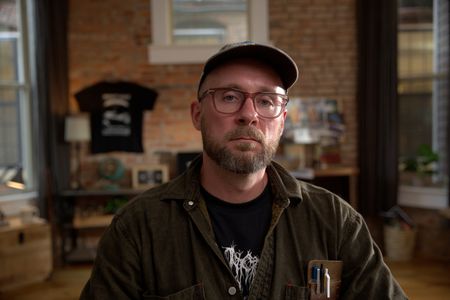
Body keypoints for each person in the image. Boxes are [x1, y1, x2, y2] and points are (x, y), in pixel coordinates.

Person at [80, 41, 407, 300]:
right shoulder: (138, 228)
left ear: (282, 120)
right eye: (229, 97)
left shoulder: (335, 221)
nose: (249, 115)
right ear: (197, 115)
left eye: (267, 101)